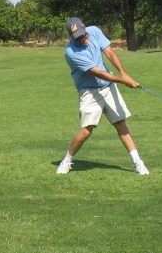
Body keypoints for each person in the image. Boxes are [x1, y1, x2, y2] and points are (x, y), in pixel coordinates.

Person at [56, 17, 149, 175]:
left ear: (85, 28)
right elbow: (97, 72)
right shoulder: (71, 53)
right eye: (77, 38)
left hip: (108, 88)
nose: (82, 39)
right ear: (71, 38)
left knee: (121, 123)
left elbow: (109, 52)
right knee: (87, 130)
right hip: (89, 92)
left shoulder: (94, 31)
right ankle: (67, 161)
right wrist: (123, 81)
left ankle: (137, 162)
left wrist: (124, 73)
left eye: (83, 35)